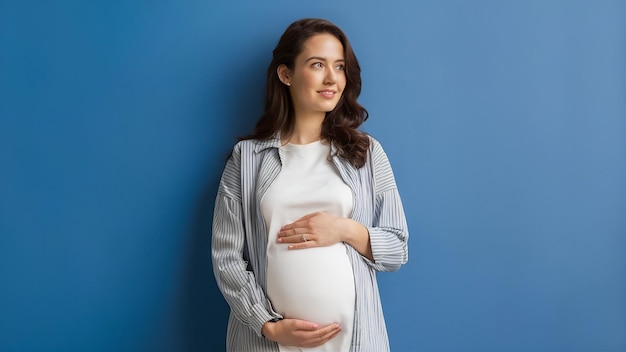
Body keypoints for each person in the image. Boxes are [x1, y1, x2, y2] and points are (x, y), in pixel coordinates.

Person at [211, 18, 409, 352]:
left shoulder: (366, 153)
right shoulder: (247, 159)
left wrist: (342, 229)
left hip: (354, 341)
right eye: (317, 65)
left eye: (340, 66)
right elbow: (226, 257)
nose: (332, 78)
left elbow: (397, 247)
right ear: (285, 74)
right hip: (267, 342)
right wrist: (267, 325)